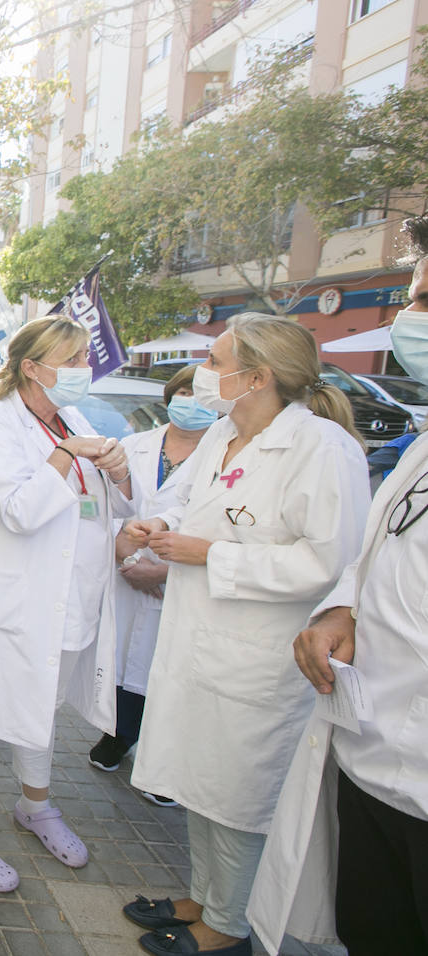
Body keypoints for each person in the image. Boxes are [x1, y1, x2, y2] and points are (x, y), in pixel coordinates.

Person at [121, 313, 368, 956]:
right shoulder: (225, 434)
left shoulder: (321, 449)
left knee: (238, 794)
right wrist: (158, 524)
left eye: (218, 360)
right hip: (197, 641)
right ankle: (203, 895)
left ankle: (227, 927)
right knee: (199, 781)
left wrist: (213, 556)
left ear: (258, 376)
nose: (205, 373)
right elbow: (187, 501)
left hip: (258, 657)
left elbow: (328, 564)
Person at [248, 248, 428, 955]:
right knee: (373, 931)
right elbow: (383, 543)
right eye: (415, 297)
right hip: (375, 759)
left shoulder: (327, 449)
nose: (410, 318)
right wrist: (344, 605)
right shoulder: (422, 445)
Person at [0, 317, 133, 894]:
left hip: (67, 602)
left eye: (83, 359)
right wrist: (67, 456)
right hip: (7, 603)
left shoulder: (76, 422)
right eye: (69, 360)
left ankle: (36, 805)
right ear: (32, 367)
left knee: (40, 708)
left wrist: (119, 476)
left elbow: (109, 509)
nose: (82, 371)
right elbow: (20, 511)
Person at [88, 365, 214, 808]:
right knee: (124, 661)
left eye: (201, 394)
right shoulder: (134, 446)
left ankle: (163, 768)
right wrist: (125, 553)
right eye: (184, 391)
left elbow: (221, 529)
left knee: (169, 673)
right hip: (126, 570)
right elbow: (108, 507)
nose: (191, 401)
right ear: (171, 394)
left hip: (180, 581)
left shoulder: (225, 456)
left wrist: (163, 572)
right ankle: (117, 738)